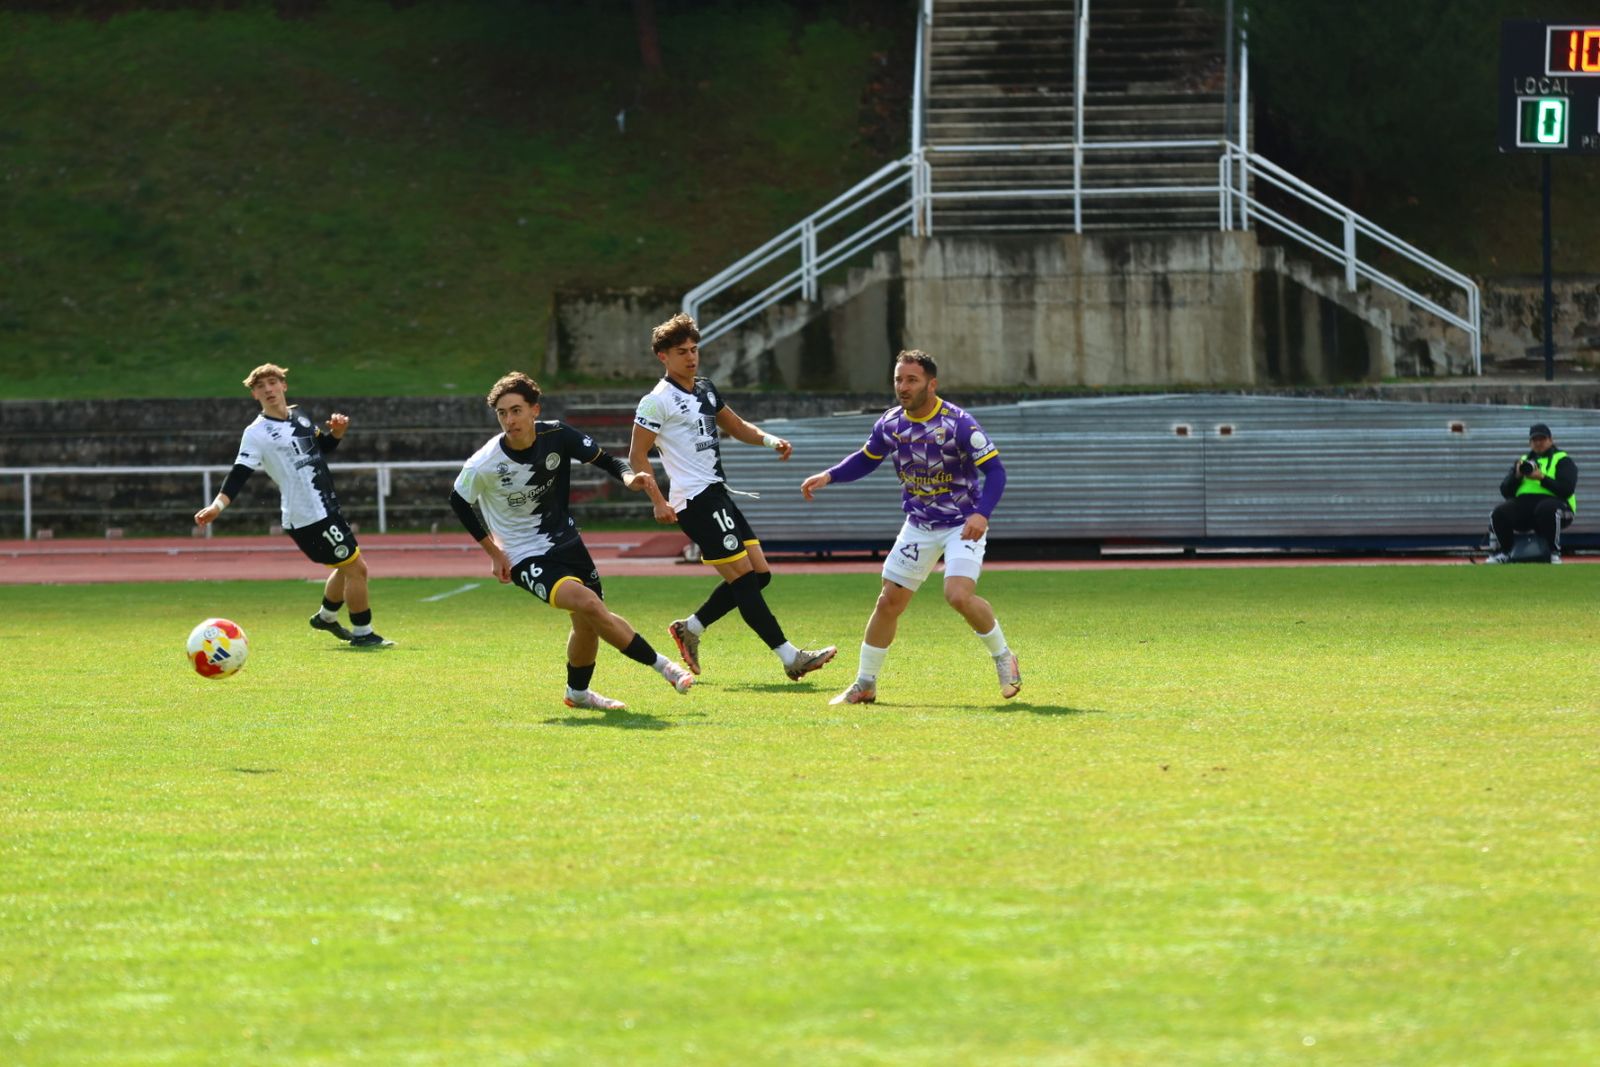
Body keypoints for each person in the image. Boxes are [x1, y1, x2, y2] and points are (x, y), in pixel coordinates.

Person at [451, 371, 695, 711]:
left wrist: (628, 478)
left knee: (588, 623)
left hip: (566, 541)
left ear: (535, 410)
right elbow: (459, 500)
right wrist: (494, 552)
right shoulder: (486, 463)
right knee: (591, 606)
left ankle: (577, 694)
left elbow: (607, 460)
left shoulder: (558, 434)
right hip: (524, 556)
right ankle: (666, 667)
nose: (509, 420)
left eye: (516, 410)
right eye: (502, 413)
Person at [800, 350, 1020, 705]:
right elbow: (866, 459)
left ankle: (1004, 658)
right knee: (888, 602)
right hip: (918, 525)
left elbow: (996, 471)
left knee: (958, 595)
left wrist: (982, 514)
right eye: (898, 379)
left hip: (961, 523)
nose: (903, 386)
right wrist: (829, 476)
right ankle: (865, 683)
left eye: (912, 380)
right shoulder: (890, 423)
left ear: (932, 384)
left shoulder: (958, 423)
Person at [628, 312, 835, 682]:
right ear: (663, 356)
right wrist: (657, 500)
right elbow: (636, 456)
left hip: (717, 493)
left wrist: (771, 441)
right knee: (743, 580)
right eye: (681, 352)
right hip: (694, 500)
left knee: (760, 575)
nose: (691, 358)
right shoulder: (655, 401)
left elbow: (737, 427)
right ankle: (791, 657)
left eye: (694, 349)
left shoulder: (705, 388)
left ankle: (690, 628)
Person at [194, 363, 393, 648]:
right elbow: (239, 472)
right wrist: (217, 506)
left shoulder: (298, 416)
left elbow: (320, 448)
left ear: (283, 386)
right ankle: (363, 634)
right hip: (307, 516)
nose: (268, 389)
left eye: (273, 382)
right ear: (254, 395)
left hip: (325, 506)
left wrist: (336, 433)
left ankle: (326, 617)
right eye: (260, 386)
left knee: (346, 564)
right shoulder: (256, 433)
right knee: (357, 569)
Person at [1486, 422, 1577, 564]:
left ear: (1551, 440)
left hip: (1559, 506)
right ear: (1530, 443)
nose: (1538, 443)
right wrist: (1516, 476)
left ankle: (1554, 552)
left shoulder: (1563, 460)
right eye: (1535, 440)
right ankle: (1505, 552)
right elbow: (1505, 491)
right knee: (1499, 513)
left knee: (1546, 508)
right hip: (1526, 506)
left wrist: (1542, 478)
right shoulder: (1522, 462)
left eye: (1542, 439)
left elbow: (1566, 489)